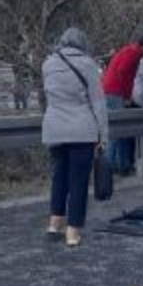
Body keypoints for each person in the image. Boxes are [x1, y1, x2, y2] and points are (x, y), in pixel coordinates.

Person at [41, 28, 109, 247]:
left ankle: (54, 223)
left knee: (59, 177)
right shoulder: (88, 64)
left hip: (54, 128)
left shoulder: (48, 64)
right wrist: (103, 135)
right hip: (81, 129)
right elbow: (98, 103)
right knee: (78, 181)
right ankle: (73, 232)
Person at [101, 34, 143, 176]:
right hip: (114, 92)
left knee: (121, 130)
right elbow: (122, 72)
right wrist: (125, 96)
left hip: (111, 90)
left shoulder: (131, 52)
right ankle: (108, 167)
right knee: (117, 131)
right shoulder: (134, 53)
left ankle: (121, 165)